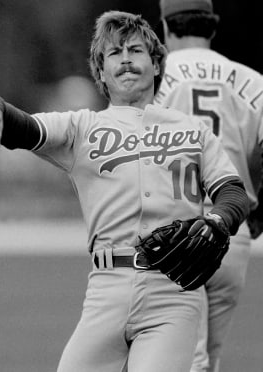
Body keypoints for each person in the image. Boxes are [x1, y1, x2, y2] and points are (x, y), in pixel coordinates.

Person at [0, 10, 249, 372]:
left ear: (158, 64)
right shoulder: (82, 126)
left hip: (173, 293)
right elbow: (22, 126)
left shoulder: (194, 131)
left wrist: (218, 222)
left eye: (135, 50)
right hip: (106, 289)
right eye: (114, 53)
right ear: (100, 72)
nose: (126, 59)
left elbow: (232, 192)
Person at [155, 1, 263, 370]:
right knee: (207, 359)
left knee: (186, 360)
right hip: (233, 231)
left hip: (174, 231)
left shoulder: (151, 78)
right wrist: (258, 209)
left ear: (166, 28)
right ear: (211, 27)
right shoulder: (252, 80)